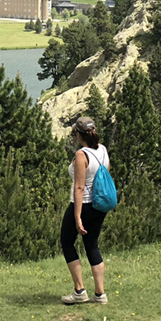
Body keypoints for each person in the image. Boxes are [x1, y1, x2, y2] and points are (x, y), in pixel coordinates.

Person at [59, 116, 110, 305]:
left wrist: (77, 216)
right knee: (92, 245)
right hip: (99, 205)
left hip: (84, 204)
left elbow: (79, 187)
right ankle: (100, 294)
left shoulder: (82, 155)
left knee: (67, 241)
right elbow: (104, 175)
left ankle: (79, 290)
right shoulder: (103, 150)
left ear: (79, 135)